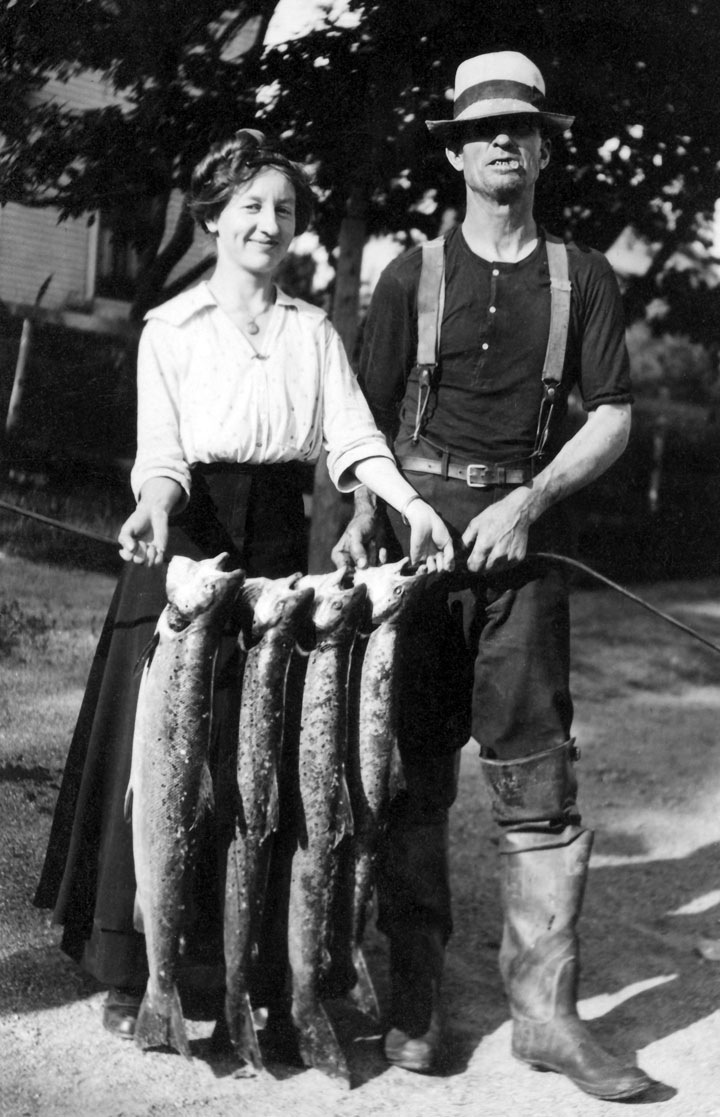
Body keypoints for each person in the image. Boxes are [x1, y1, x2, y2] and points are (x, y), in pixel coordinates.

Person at [34, 128, 453, 1042]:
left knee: (256, 762)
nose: (269, 223)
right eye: (251, 206)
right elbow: (160, 453)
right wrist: (152, 509)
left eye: (284, 209)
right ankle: (137, 968)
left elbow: (354, 438)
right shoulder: (171, 329)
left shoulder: (313, 331)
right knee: (161, 760)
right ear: (214, 217)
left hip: (274, 549)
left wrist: (409, 504)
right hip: (184, 547)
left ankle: (253, 970)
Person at [332, 51, 654, 1100]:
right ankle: (416, 991)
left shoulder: (583, 275)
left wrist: (532, 500)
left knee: (537, 782)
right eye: (483, 130)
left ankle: (546, 1017)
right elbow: (362, 422)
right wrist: (363, 519)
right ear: (457, 154)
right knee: (410, 774)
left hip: (526, 550)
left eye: (521, 128)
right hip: (417, 554)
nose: (503, 142)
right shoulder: (409, 274)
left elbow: (613, 414)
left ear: (544, 149)